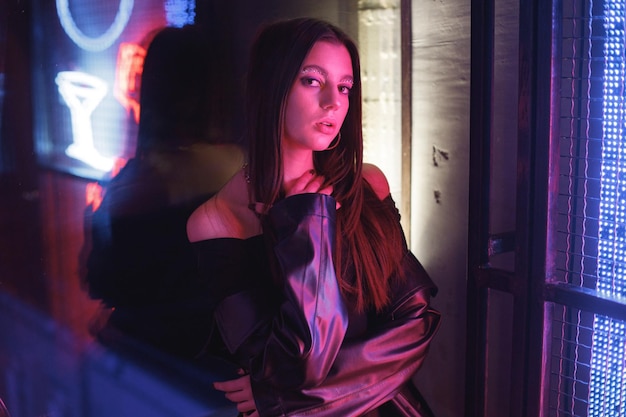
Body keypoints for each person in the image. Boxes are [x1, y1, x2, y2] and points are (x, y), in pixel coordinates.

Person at [186, 17, 441, 416]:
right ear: (271, 86)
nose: (334, 102)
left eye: (343, 87)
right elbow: (297, 364)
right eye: (312, 80)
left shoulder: (368, 185)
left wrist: (279, 400)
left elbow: (415, 323)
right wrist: (307, 227)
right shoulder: (218, 222)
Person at [81, 24, 245, 361]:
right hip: (221, 363)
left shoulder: (136, 182)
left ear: (153, 92)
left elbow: (99, 279)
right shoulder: (240, 166)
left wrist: (95, 217)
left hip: (150, 367)